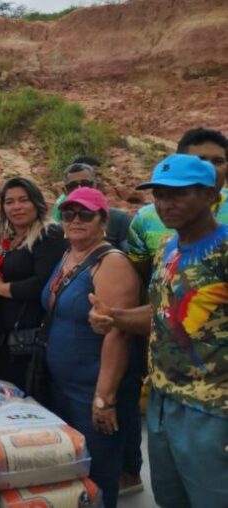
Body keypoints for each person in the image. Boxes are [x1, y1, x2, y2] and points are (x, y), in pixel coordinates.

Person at [89, 154, 228, 508]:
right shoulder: (168, 249)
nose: (166, 204)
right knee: (170, 498)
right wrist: (115, 316)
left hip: (213, 411)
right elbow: (164, 313)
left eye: (178, 194)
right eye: (160, 194)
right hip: (164, 403)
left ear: (212, 194)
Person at [42, 188, 141, 508]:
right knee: (73, 474)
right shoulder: (69, 254)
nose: (75, 221)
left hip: (93, 389)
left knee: (98, 475)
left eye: (85, 214)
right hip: (63, 385)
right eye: (68, 214)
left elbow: (119, 334)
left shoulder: (110, 262)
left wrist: (104, 397)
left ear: (103, 220)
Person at [0, 177, 67, 391]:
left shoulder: (49, 234)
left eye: (23, 200)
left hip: (31, 339)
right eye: (10, 201)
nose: (17, 207)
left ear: (36, 202)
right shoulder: (10, 238)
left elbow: (42, 283)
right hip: (7, 339)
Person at [128, 128, 228, 280]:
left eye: (218, 161)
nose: (210, 169)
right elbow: (164, 297)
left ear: (208, 195)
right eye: (160, 195)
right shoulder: (163, 244)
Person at [53, 163, 131, 251]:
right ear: (65, 191)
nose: (80, 189)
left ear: (96, 186)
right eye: (73, 186)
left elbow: (133, 257)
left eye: (85, 183)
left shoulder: (119, 219)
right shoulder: (59, 226)